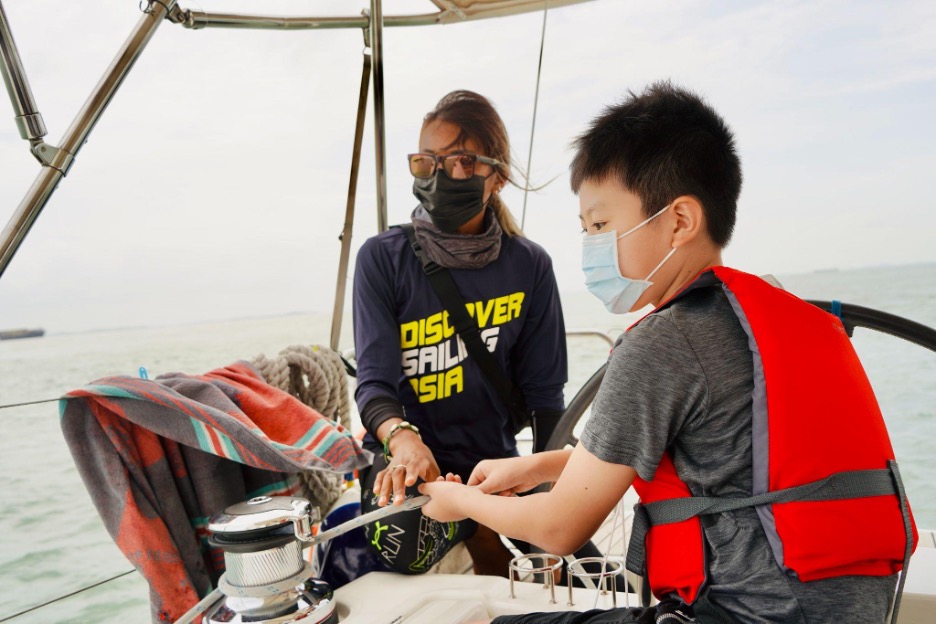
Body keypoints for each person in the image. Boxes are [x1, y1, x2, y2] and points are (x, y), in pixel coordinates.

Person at [420, 82, 915, 623]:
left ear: (679, 220)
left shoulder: (664, 344)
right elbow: (719, 464)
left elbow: (560, 530)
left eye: (601, 226)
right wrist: (536, 465)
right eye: (585, 229)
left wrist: (457, 504)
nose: (590, 246)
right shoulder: (774, 317)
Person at [352, 90, 569, 577]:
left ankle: (487, 531)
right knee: (402, 544)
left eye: (462, 161)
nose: (440, 175)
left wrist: (548, 488)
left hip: (498, 465)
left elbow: (544, 395)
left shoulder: (529, 265)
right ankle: (483, 532)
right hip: (413, 464)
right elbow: (374, 387)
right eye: (427, 162)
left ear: (498, 175)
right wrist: (403, 440)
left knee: (566, 557)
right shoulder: (381, 259)